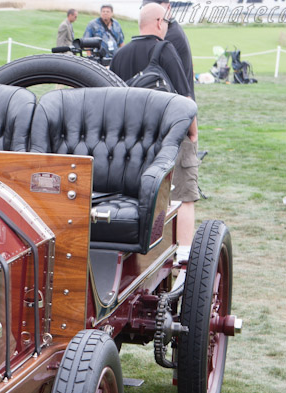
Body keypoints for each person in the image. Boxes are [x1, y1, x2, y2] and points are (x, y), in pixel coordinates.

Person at [111, 3, 198, 257]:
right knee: (184, 196)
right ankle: (182, 255)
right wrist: (192, 133)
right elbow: (185, 100)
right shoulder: (165, 49)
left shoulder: (120, 55)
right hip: (168, 137)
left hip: (131, 144)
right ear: (160, 22)